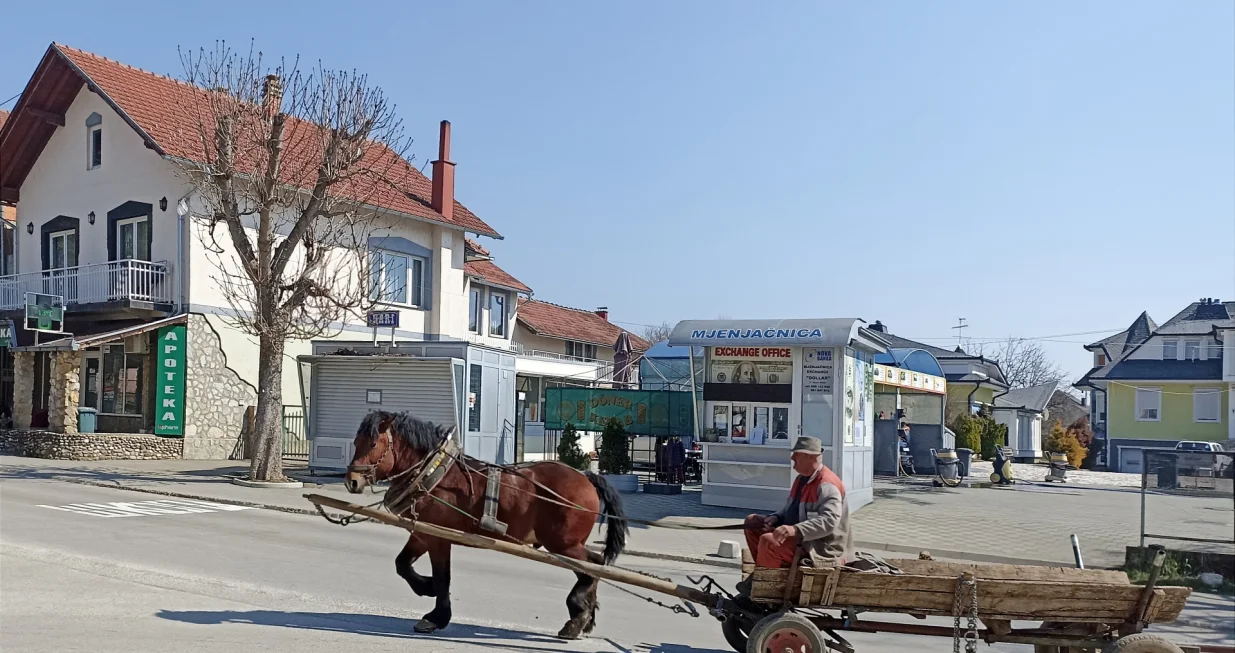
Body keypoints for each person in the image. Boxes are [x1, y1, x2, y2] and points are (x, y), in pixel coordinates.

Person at [735, 436, 852, 595]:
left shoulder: (827, 484)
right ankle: (765, 574)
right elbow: (789, 508)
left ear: (811, 457)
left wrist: (795, 530)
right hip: (803, 540)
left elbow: (829, 522)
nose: (792, 458)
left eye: (796, 455)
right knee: (752, 522)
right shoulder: (801, 479)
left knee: (769, 541)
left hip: (820, 547)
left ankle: (765, 587)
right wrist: (776, 517)